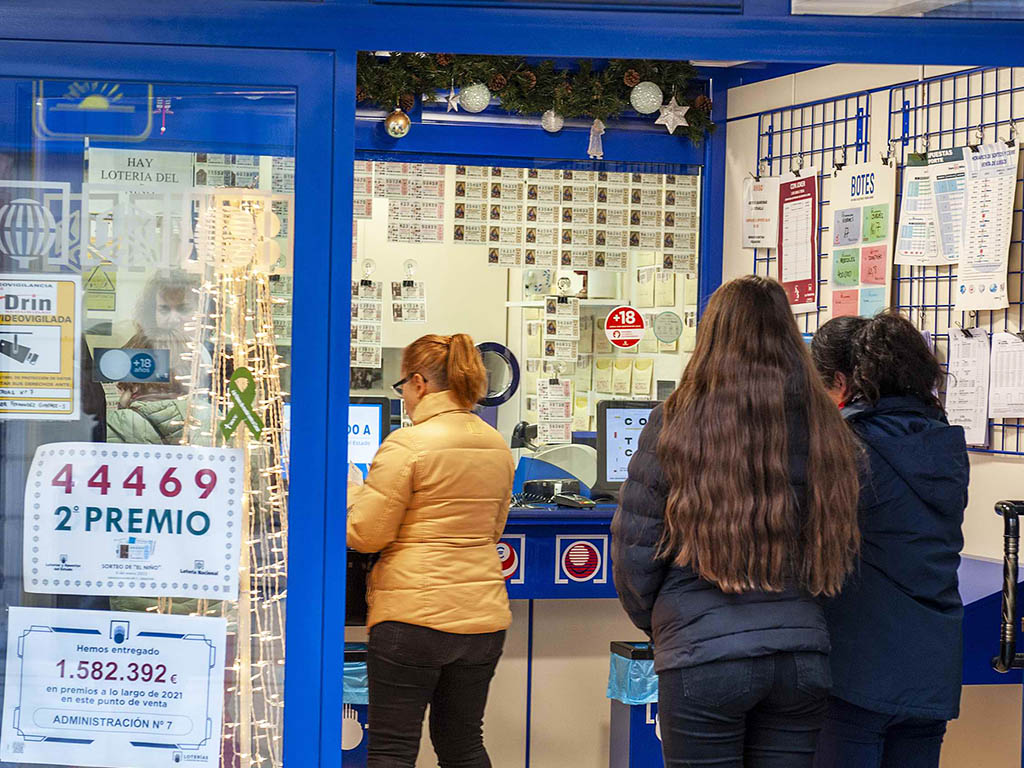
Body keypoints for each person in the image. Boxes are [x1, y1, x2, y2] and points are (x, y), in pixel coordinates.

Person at [612, 275, 861, 768]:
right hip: (800, 656)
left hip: (703, 659)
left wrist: (669, 626)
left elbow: (634, 555)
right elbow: (838, 544)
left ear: (711, 337)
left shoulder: (678, 420)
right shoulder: (826, 426)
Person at [347, 333, 515, 768]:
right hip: (481, 622)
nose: (402, 396)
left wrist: (352, 490)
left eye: (402, 385)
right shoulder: (496, 445)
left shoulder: (408, 444)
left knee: (392, 749)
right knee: (463, 746)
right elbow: (493, 529)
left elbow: (366, 534)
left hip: (412, 619)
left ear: (419, 383)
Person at [810, 313, 969, 768]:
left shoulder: (845, 447)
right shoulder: (947, 446)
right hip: (931, 669)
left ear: (845, 382)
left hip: (856, 669)